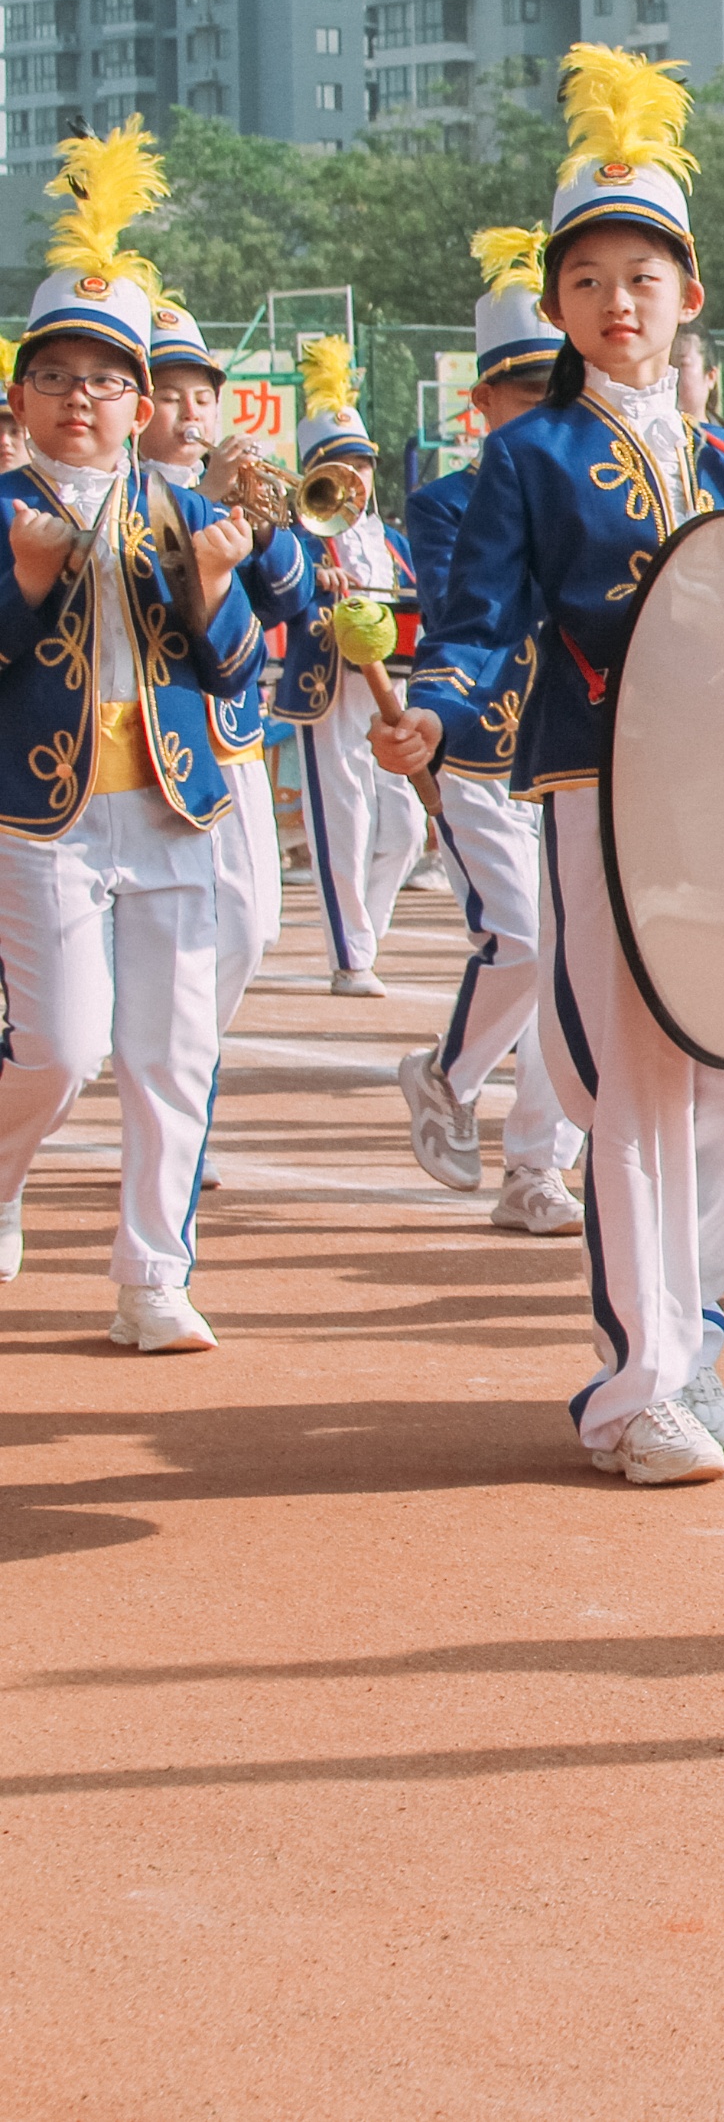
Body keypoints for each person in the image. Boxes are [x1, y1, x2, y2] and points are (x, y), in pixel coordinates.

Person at [380, 44, 724, 1487]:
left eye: (645, 277)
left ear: (691, 295)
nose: (619, 304)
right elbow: (483, 621)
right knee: (635, 1081)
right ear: (559, 307)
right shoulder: (532, 455)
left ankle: (686, 1320)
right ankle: (635, 1386)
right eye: (589, 282)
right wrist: (434, 710)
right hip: (593, 787)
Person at [0, 125, 271, 1339]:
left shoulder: (186, 506)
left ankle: (152, 1278)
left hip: (173, 804)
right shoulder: (3, 506)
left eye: (106, 380)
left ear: (144, 402)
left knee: (169, 1056)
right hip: (39, 814)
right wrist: (20, 579)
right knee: (57, 1050)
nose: (81, 399)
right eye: (55, 376)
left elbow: (238, 667)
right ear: (19, 394)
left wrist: (216, 591)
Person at [390, 228, 585, 1238]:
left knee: (575, 960)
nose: (543, 405)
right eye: (520, 391)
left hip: (579, 757)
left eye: (555, 384)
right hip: (481, 746)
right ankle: (448, 1071)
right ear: (482, 407)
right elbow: (467, 605)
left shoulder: (608, 473)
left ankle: (536, 1167)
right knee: (524, 940)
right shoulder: (445, 501)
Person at [135, 296, 316, 1024]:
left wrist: (265, 525)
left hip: (234, 735)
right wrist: (205, 502)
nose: (190, 412)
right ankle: (170, 1045)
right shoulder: (121, 491)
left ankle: (175, 1037)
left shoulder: (232, 490)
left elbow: (291, 596)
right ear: (139, 403)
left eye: (204, 396)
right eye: (171, 395)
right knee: (181, 922)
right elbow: (151, 584)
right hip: (159, 736)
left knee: (254, 923)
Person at [268, 332, 421, 996]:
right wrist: (313, 583)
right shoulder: (298, 534)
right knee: (344, 818)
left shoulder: (390, 540)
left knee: (408, 827)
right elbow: (282, 596)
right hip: (327, 688)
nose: (353, 476)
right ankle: (350, 955)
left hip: (391, 695)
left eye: (360, 462)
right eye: (337, 463)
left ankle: (367, 933)